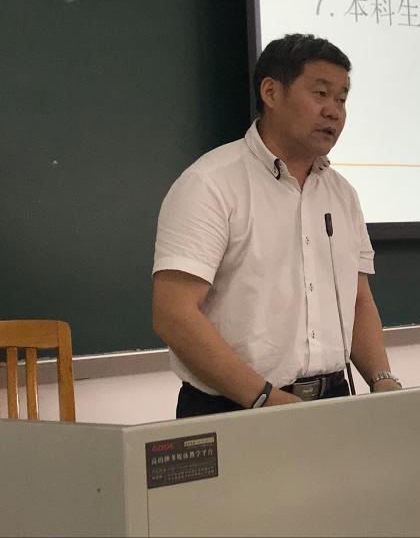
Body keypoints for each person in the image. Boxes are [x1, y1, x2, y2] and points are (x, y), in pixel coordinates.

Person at [151, 34, 399, 417]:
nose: (333, 112)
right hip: (233, 408)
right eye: (321, 94)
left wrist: (382, 379)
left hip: (332, 401)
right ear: (271, 92)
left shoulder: (342, 194)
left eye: (342, 99)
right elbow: (174, 314)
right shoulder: (210, 184)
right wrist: (266, 398)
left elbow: (358, 300)